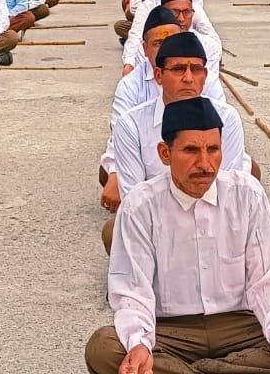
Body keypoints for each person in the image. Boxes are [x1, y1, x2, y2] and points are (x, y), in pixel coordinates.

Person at [85, 97, 270, 374]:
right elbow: (133, 291)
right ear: (164, 153)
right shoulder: (141, 205)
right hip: (170, 331)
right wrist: (140, 345)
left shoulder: (247, 194)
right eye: (190, 150)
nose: (205, 163)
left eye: (213, 150)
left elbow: (268, 284)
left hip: (239, 328)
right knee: (103, 350)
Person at [100, 33, 250, 252]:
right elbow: (135, 199)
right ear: (159, 75)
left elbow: (229, 193)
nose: (188, 78)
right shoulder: (131, 124)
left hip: (214, 221)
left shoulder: (227, 118)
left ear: (205, 75)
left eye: (196, 69)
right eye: (179, 69)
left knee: (269, 234)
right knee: (114, 231)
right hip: (157, 224)